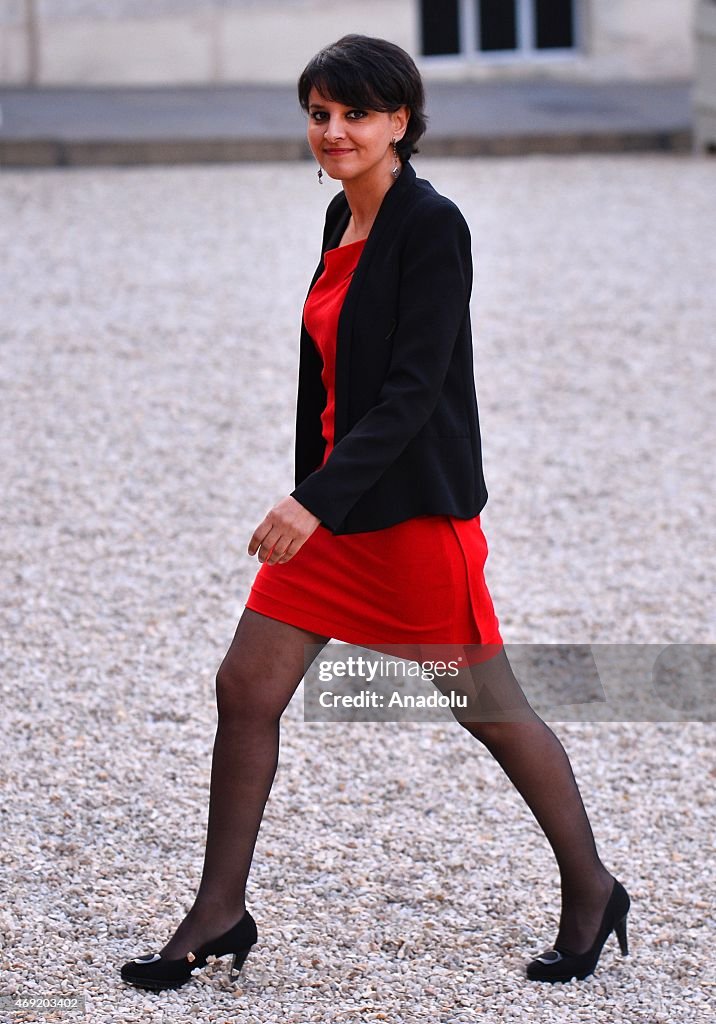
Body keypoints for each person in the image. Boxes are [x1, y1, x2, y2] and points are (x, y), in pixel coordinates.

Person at [120, 34, 630, 992]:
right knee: (245, 689)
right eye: (319, 114)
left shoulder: (433, 226)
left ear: (401, 120)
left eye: (356, 113)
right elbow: (330, 377)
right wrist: (316, 494)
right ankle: (220, 909)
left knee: (490, 710)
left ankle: (594, 888)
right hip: (337, 516)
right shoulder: (336, 219)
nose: (335, 131)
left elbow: (411, 390)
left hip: (405, 518)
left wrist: (310, 500)